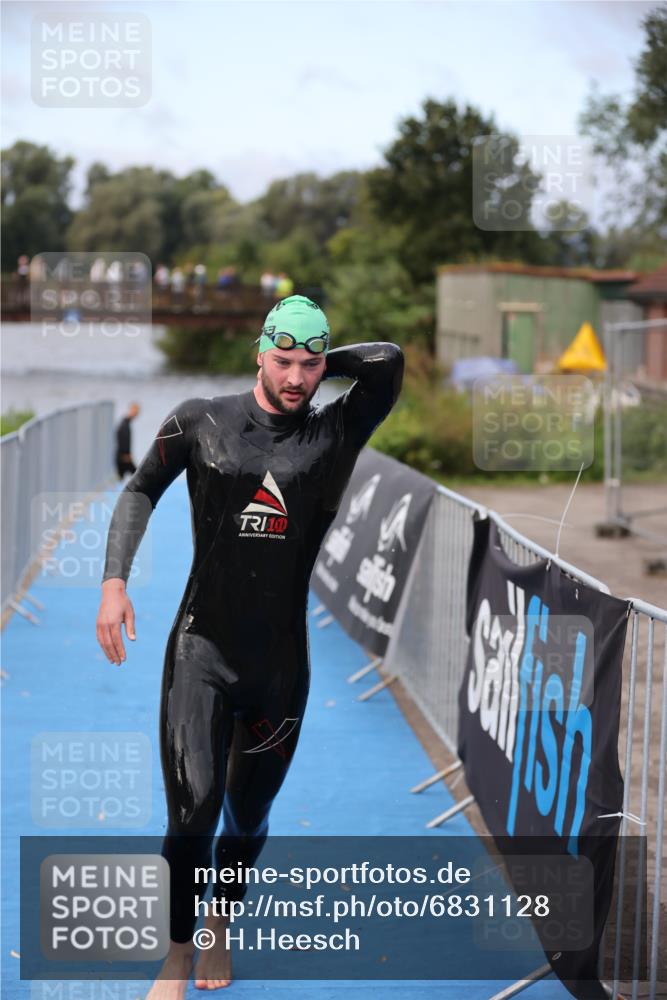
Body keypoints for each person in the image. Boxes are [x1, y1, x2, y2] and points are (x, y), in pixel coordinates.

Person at [95, 295, 404, 996]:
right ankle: (177, 950)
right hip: (199, 650)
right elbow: (140, 490)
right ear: (257, 353)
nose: (296, 378)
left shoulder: (336, 431)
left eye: (309, 366)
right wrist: (115, 583)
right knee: (191, 816)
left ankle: (220, 924)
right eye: (282, 359)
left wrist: (320, 355)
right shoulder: (199, 420)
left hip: (278, 668)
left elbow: (386, 362)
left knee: (246, 818)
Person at [115, 402, 140, 479]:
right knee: (138, 476)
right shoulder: (124, 424)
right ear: (131, 410)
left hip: (123, 456)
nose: (137, 413)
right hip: (123, 457)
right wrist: (125, 454)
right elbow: (121, 438)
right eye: (136, 411)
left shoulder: (125, 422)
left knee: (122, 477)